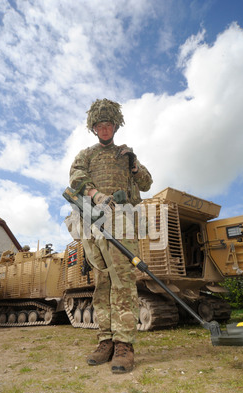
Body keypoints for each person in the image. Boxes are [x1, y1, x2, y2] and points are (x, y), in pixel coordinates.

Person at [69, 98, 153, 373]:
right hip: (95, 222)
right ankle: (105, 340)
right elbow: (76, 177)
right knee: (102, 283)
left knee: (123, 280)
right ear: (93, 127)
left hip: (123, 223)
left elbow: (147, 183)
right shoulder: (87, 154)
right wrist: (95, 195)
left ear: (116, 125)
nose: (104, 129)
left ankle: (124, 345)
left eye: (109, 124)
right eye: (99, 124)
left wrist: (135, 165)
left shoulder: (126, 154)